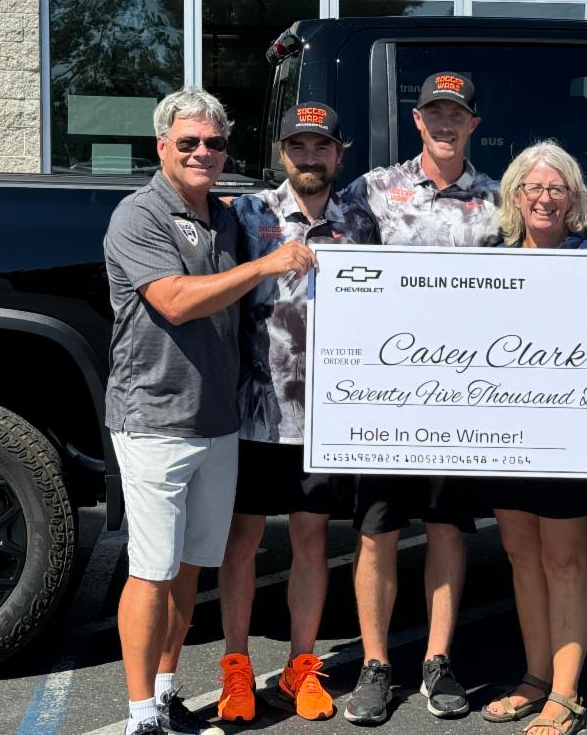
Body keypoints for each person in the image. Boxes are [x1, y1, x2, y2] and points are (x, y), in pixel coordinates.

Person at [104, 85, 315, 735]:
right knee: (151, 571)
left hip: (219, 422)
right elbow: (174, 300)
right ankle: (140, 713)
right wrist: (266, 267)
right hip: (155, 419)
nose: (202, 152)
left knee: (191, 567)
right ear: (161, 146)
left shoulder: (224, 218)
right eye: (189, 142)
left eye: (214, 143)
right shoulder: (139, 215)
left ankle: (167, 689)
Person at [339, 71, 500, 725]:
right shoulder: (372, 190)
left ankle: (438, 660)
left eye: (456, 113)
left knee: (446, 528)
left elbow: (540, 274)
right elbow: (325, 243)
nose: (445, 123)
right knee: (377, 531)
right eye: (434, 112)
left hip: (461, 399)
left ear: (473, 123)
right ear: (417, 120)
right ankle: (375, 664)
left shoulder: (498, 200)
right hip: (386, 398)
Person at [216, 103, 375, 725]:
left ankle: (301, 665)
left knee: (312, 541)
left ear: (339, 153)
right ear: (282, 153)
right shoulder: (247, 214)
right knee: (243, 540)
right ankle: (235, 666)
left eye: (322, 146)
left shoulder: (360, 221)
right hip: (254, 411)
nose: (310, 157)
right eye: (298, 147)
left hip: (326, 418)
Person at [479, 141, 587, 735]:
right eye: (534, 187)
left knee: (564, 559)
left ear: (573, 199)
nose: (545, 198)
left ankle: (565, 692)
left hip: (570, 434)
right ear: (515, 196)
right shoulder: (490, 261)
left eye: (556, 188)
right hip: (506, 431)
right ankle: (534, 677)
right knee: (521, 555)